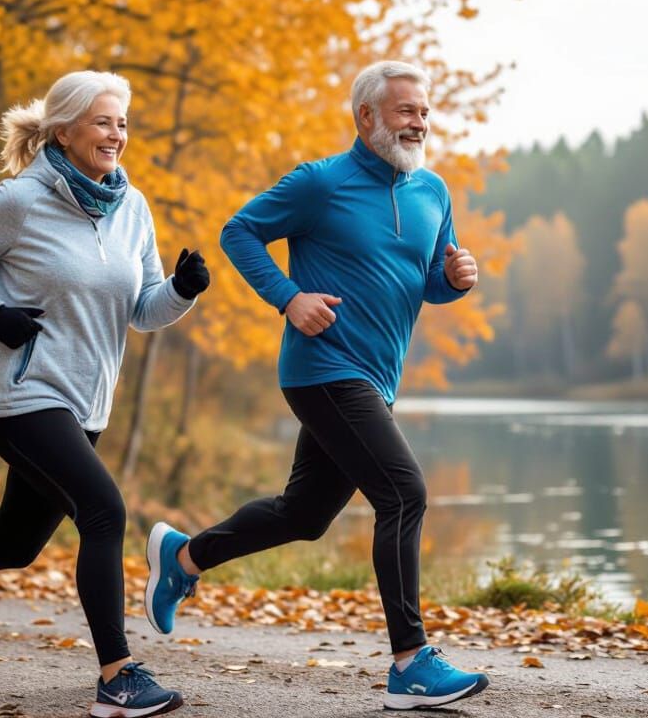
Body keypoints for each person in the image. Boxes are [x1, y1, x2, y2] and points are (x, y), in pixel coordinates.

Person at [143, 60, 487, 710]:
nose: (420, 122)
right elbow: (239, 231)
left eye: (424, 111)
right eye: (407, 111)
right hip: (322, 367)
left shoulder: (432, 191)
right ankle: (411, 661)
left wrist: (456, 278)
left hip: (376, 377)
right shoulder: (320, 183)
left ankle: (185, 558)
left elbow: (429, 279)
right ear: (367, 117)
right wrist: (289, 298)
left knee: (304, 517)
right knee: (404, 492)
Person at [0, 70, 207, 718]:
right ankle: (117, 676)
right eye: (104, 121)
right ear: (64, 129)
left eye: (123, 123)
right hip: (20, 394)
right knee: (104, 511)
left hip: (86, 402)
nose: (117, 134)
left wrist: (184, 291)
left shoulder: (133, 209)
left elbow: (142, 311)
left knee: (14, 544)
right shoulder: (21, 199)